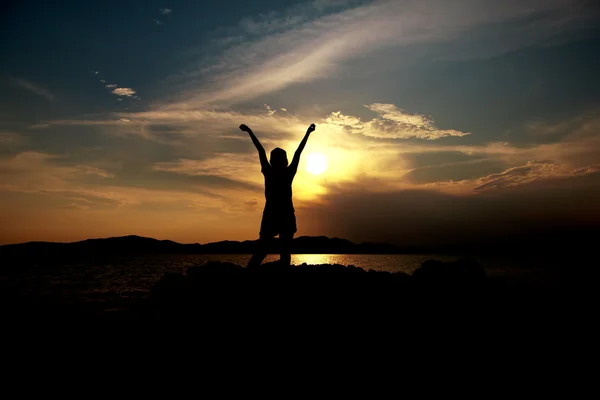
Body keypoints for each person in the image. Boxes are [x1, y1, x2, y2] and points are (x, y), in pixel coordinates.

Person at [240, 123, 316, 267]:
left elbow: (261, 150)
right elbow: (297, 152)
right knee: (281, 252)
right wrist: (307, 133)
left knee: (269, 251)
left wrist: (249, 131)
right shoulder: (284, 172)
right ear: (284, 159)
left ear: (272, 160)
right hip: (280, 214)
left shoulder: (272, 171)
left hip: (277, 214)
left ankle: (252, 272)